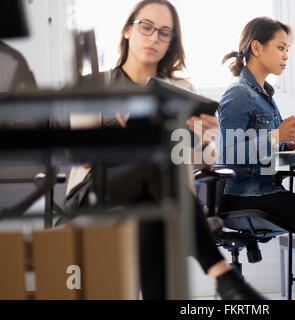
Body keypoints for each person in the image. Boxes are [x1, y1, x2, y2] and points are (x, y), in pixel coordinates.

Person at [65, 0, 263, 300]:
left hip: (159, 200)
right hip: (97, 193)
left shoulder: (182, 90)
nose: (154, 38)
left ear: (171, 41)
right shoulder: (95, 84)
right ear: (128, 30)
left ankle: (222, 278)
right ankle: (223, 276)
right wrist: (128, 136)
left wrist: (203, 140)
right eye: (146, 27)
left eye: (164, 32)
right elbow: (83, 155)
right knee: (155, 165)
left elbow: (205, 164)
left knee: (152, 217)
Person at [217, 17, 295, 300]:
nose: (287, 56)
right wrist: (276, 135)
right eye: (282, 48)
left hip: (264, 189)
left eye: (289, 50)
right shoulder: (238, 94)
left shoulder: (265, 96)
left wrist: (288, 141)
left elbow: (259, 144)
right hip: (243, 195)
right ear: (257, 48)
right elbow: (230, 154)